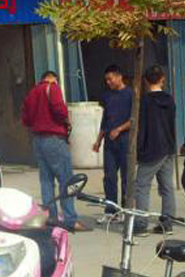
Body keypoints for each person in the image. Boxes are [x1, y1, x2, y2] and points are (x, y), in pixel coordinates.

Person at [22, 71, 88, 231]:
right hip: (54, 139)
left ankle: (50, 218)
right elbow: (61, 111)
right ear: (54, 79)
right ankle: (70, 220)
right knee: (66, 180)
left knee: (46, 181)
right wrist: (64, 118)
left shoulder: (32, 93)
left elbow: (26, 119)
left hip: (38, 140)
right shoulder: (52, 88)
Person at [133, 65, 176, 237]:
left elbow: (142, 128)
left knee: (141, 186)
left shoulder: (144, 102)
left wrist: (139, 150)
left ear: (145, 80)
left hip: (151, 148)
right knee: (167, 187)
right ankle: (167, 223)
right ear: (162, 79)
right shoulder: (169, 100)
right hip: (168, 147)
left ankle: (141, 224)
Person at [92, 65, 132, 224]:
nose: (108, 82)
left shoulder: (130, 94)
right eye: (106, 80)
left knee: (126, 178)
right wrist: (98, 140)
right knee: (109, 178)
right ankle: (110, 211)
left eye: (110, 79)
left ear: (119, 76)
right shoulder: (107, 96)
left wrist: (119, 129)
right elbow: (105, 120)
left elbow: (135, 118)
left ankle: (125, 211)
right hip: (109, 143)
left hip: (125, 141)